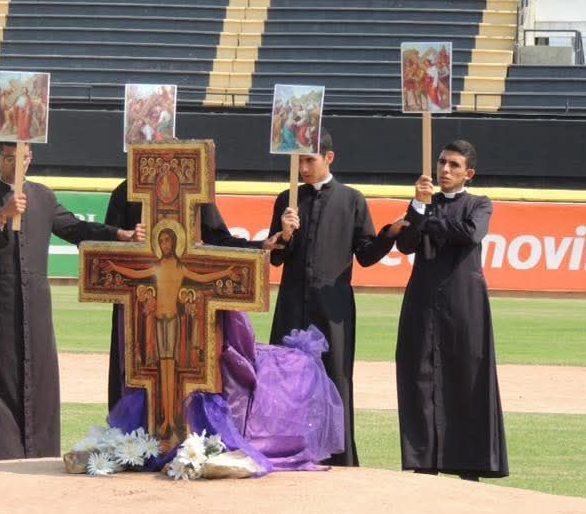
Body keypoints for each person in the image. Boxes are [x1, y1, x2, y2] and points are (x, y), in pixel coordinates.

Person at [0, 143, 145, 463]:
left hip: (36, 305)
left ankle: (37, 452)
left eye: (25, 158)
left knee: (39, 377)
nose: (19, 165)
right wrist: (3, 215)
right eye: (10, 159)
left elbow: (76, 228)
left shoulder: (44, 197)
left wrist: (120, 235)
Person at [268, 129, 400, 467]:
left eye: (309, 160)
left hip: (334, 307)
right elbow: (276, 258)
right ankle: (285, 451)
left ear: (329, 158)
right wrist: (284, 234)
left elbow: (367, 254)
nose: (303, 168)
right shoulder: (287, 199)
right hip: (292, 302)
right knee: (285, 377)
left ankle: (340, 457)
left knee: (335, 377)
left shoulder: (352, 199)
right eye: (298, 161)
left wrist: (390, 234)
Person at [102, 178, 284, 411]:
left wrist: (260, 246)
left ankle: (192, 436)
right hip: (140, 310)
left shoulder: (194, 191)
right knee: (139, 372)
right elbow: (106, 250)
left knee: (188, 375)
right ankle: (133, 437)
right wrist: (127, 237)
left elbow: (219, 241)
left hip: (188, 310)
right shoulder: (126, 191)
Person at [393, 139, 509, 481]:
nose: (445, 170)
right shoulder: (422, 205)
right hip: (423, 300)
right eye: (442, 162)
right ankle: (423, 458)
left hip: (465, 304)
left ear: (468, 173)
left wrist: (428, 218)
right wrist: (418, 207)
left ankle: (469, 461)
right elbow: (405, 244)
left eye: (453, 165)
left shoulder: (480, 204)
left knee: (467, 377)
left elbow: (470, 234)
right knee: (419, 376)